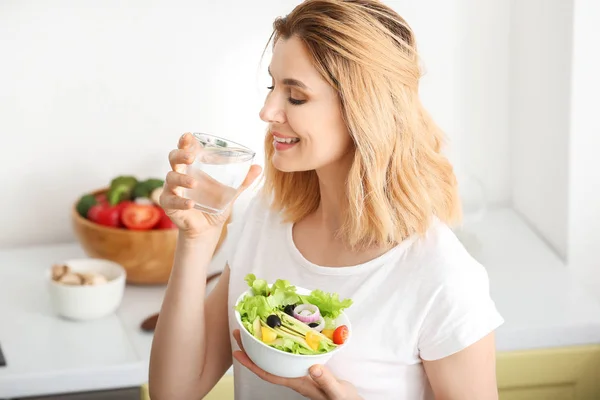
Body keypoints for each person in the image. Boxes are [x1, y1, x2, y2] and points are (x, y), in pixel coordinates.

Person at [149, 0, 504, 399]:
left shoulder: (441, 277)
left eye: (295, 97)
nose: (267, 111)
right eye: (272, 86)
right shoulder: (266, 217)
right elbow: (173, 392)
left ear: (364, 110)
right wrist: (196, 242)